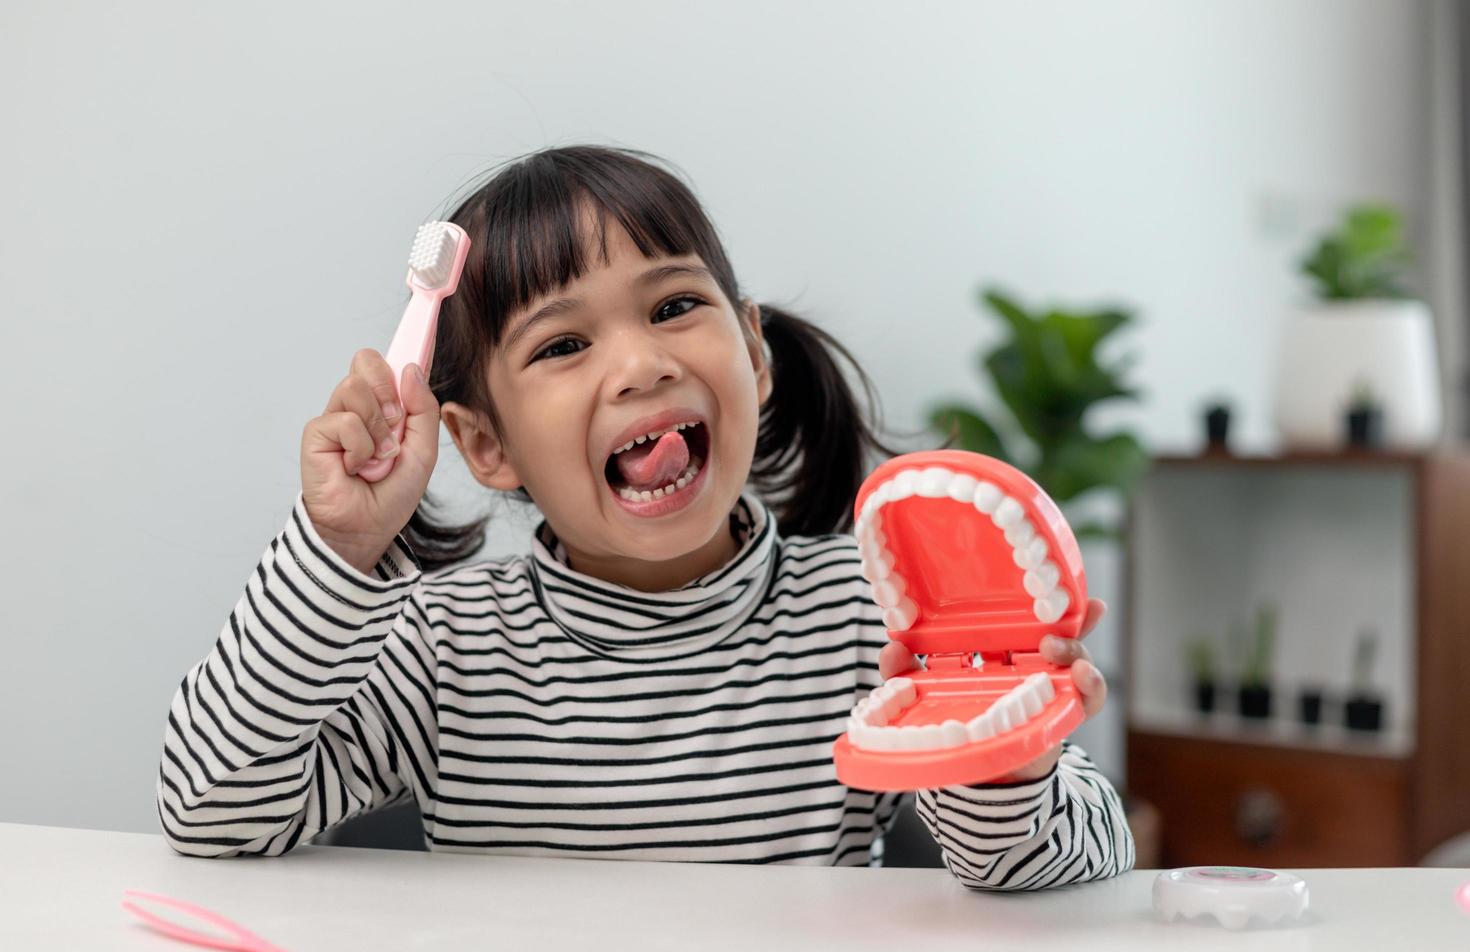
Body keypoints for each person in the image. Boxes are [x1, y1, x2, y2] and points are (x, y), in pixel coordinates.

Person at [156, 145, 1133, 889]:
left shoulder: (866, 618)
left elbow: (1072, 862)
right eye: (565, 342)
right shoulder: (445, 645)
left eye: (671, 307)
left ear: (753, 355)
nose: (641, 363)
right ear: (485, 442)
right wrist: (342, 546)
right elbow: (211, 808)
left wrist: (1003, 767)